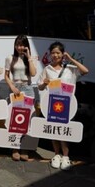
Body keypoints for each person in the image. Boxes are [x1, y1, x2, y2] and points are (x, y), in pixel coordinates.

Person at [38, 41, 89, 171]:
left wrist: (70, 59)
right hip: (52, 104)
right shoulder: (47, 69)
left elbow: (85, 71)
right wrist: (44, 83)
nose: (55, 55)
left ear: (62, 54)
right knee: (54, 130)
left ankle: (66, 156)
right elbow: (40, 86)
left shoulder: (70, 69)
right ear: (50, 55)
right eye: (53, 53)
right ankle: (56, 155)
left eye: (58, 53)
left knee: (64, 130)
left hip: (67, 105)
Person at [4, 34, 37, 161]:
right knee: (15, 119)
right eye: (18, 44)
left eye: (23, 44)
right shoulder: (10, 58)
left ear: (26, 46)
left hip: (28, 89)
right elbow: (6, 76)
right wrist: (12, 86)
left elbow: (33, 74)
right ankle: (15, 148)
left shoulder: (29, 58)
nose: (20, 47)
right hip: (15, 89)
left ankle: (25, 148)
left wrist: (29, 57)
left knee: (27, 120)